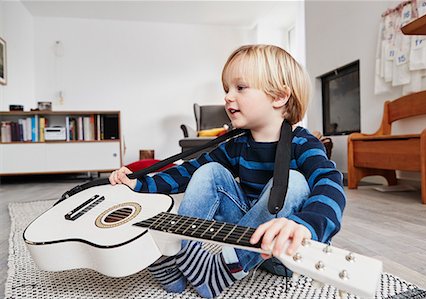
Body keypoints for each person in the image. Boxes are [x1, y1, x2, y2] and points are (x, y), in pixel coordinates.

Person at [109, 44, 346, 298]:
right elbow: (189, 171)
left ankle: (220, 269)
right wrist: (140, 184)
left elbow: (331, 182)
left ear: (279, 97)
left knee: (295, 181)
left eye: (240, 88)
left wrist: (308, 225)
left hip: (281, 252)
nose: (228, 97)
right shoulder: (237, 143)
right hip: (241, 235)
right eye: (227, 89)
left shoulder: (302, 143)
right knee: (209, 171)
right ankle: (182, 256)